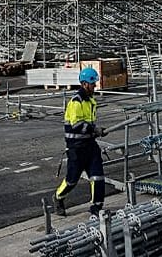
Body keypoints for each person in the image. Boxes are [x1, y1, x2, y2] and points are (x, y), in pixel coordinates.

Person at [53, 66, 106, 217]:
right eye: (92, 83)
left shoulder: (90, 101)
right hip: (76, 149)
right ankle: (58, 197)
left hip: (90, 145)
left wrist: (95, 130)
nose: (95, 86)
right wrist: (94, 129)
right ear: (84, 84)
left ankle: (96, 208)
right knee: (72, 180)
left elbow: (89, 124)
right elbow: (77, 125)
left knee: (97, 177)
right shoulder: (76, 102)